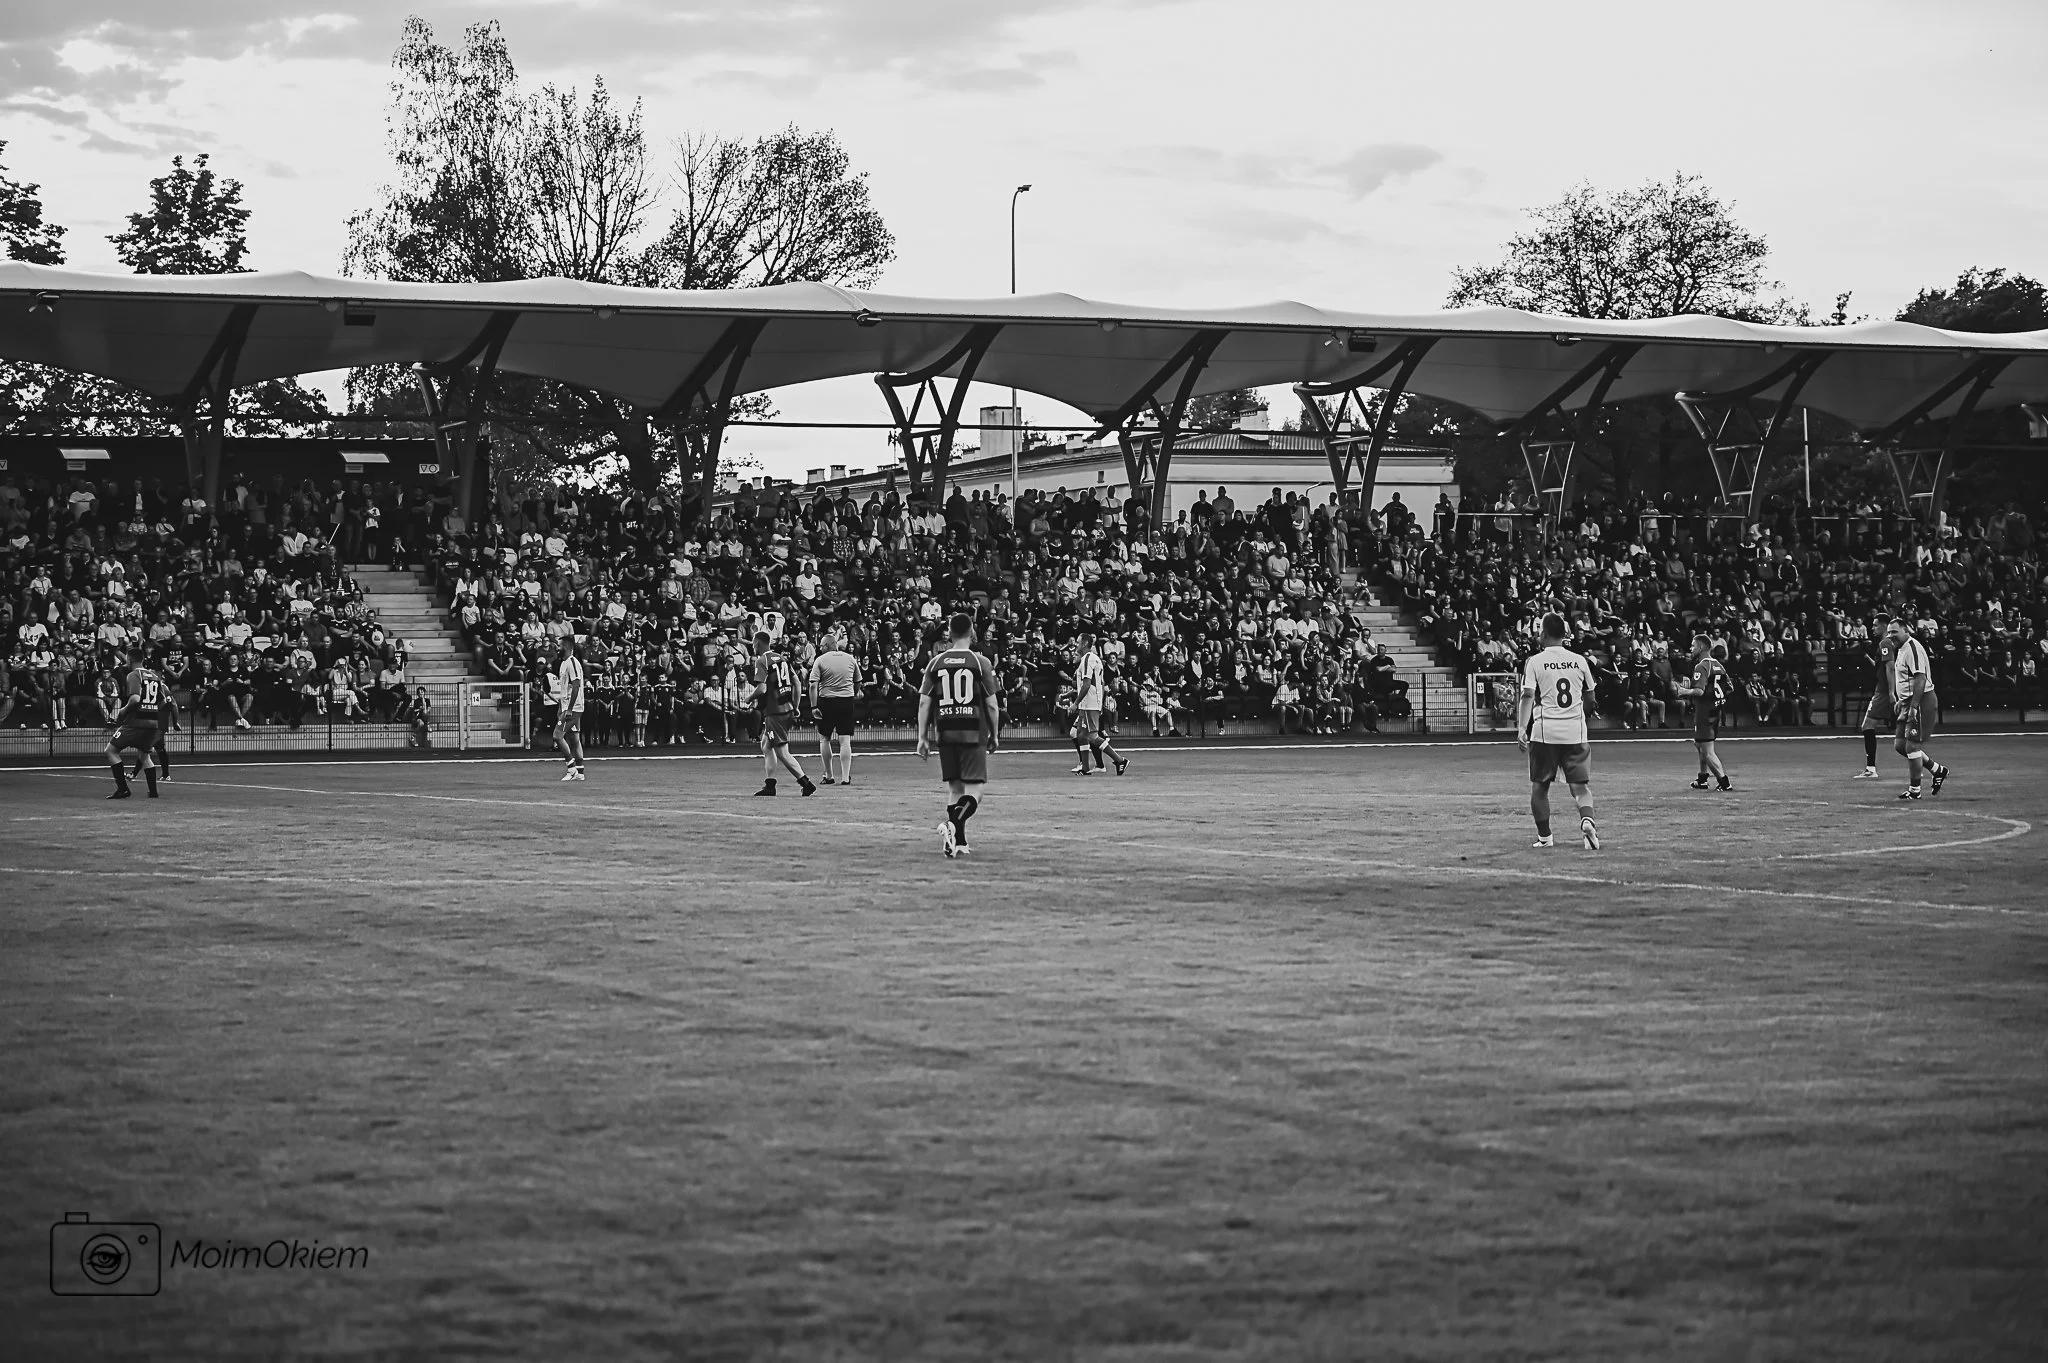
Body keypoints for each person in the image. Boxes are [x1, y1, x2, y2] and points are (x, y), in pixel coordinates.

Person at [917, 612, 1001, 858]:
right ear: (972, 631)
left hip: (945, 730)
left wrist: (923, 737)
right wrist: (994, 735)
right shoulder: (979, 662)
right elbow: (993, 705)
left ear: (950, 633)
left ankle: (960, 842)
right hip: (972, 730)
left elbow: (924, 702)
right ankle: (952, 826)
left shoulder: (936, 662)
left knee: (955, 788)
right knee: (975, 789)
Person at [1516, 613, 1599, 850]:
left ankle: (1545, 838)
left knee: (1540, 788)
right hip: (1575, 732)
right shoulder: (1580, 660)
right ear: (1565, 634)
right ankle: (1587, 819)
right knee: (1580, 787)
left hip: (1545, 733)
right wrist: (1578, 715)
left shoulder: (1535, 661)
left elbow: (1528, 695)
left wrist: (1522, 727)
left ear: (1543, 633)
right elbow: (1591, 697)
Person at [1887, 616, 1951, 800]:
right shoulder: (1901, 649)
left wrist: (1914, 705)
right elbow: (1906, 678)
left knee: (1912, 746)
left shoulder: (1912, 648)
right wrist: (1902, 700)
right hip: (1909, 702)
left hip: (1922, 701)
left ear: (1906, 631)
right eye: (1889, 632)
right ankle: (1938, 770)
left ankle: (1915, 790)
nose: (1891, 636)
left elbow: (1920, 679)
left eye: (1895, 632)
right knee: (1900, 746)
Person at [750, 630, 816, 797]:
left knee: (782, 752)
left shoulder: (761, 661)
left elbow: (762, 688)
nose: (752, 645)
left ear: (758, 643)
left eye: (753, 642)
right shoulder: (782, 658)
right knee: (766, 745)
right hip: (786, 708)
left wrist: (749, 698)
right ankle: (770, 785)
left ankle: (806, 783)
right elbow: (797, 683)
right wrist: (795, 705)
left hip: (774, 712)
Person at [103, 652, 167, 800]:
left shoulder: (133, 675)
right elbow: (164, 702)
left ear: (129, 659)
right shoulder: (155, 677)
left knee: (111, 751)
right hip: (152, 723)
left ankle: (123, 789)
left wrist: (122, 711)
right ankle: (153, 792)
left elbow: (135, 699)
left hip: (135, 722)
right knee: (144, 755)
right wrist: (152, 710)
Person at [1675, 635, 1734, 791]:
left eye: (1693, 645)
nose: (1691, 648)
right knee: (1700, 744)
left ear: (1701, 648)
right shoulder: (1719, 665)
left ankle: (1724, 783)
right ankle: (1702, 779)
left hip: (1705, 712)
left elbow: (1699, 691)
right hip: (1716, 710)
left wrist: (1684, 691)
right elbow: (1730, 687)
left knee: (1707, 751)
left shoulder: (1701, 666)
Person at [808, 628, 862, 786]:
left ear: (827, 646)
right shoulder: (850, 658)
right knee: (845, 740)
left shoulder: (820, 660)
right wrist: (852, 693)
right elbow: (858, 681)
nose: (820, 648)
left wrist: (813, 706)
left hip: (827, 701)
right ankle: (845, 777)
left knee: (825, 739)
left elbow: (813, 685)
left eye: (821, 645)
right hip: (846, 701)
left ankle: (829, 775)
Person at [1070, 631, 1127, 776]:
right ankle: (1085, 767)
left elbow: (1087, 683)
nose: (1075, 644)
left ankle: (1119, 760)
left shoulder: (1088, 658)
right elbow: (1097, 682)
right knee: (1081, 735)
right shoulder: (1089, 659)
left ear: (1084, 644)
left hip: (1090, 703)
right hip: (1088, 703)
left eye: (1078, 641)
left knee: (1092, 736)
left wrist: (1075, 703)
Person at [1855, 630, 1899, 779]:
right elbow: (1880, 666)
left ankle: (1870, 769)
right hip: (1883, 689)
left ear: (1883, 625)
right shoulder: (1886, 645)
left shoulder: (1885, 642)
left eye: (1875, 625)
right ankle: (1932, 768)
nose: (1872, 629)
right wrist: (1866, 657)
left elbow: (1890, 667)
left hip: (1884, 691)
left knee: (1867, 726)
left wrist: (1891, 692)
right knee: (1904, 730)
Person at [553, 638, 588, 781]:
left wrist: (569, 709)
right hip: (567, 706)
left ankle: (571, 768)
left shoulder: (572, 662)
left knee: (557, 735)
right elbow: (564, 689)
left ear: (566, 647)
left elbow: (576, 685)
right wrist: (561, 707)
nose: (556, 648)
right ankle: (580, 772)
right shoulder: (563, 664)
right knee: (574, 739)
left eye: (559, 646)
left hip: (574, 707)